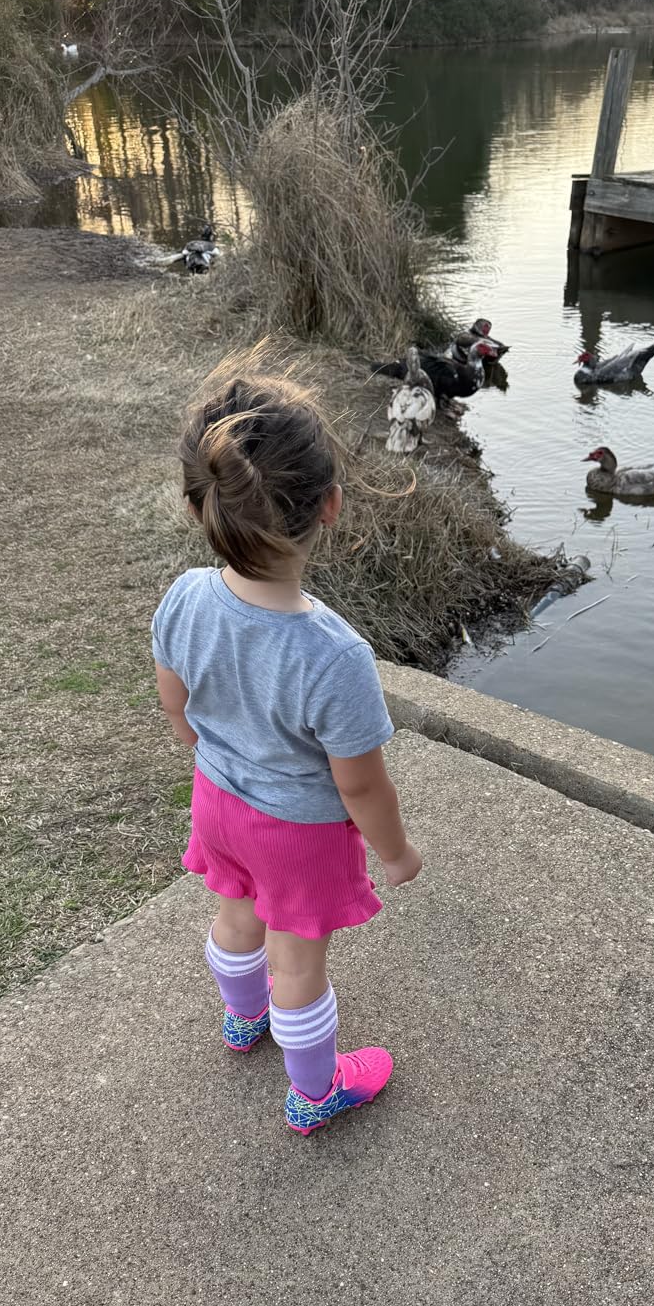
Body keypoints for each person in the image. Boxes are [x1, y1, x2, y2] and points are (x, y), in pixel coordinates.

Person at [151, 360, 422, 1136]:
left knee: (235, 914)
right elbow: (361, 787)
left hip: (218, 802)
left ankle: (243, 1022)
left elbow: (178, 703)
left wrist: (205, 753)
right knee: (297, 963)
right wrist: (395, 854)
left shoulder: (184, 597)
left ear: (200, 503)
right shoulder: (334, 656)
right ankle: (314, 1092)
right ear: (329, 506)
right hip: (298, 835)